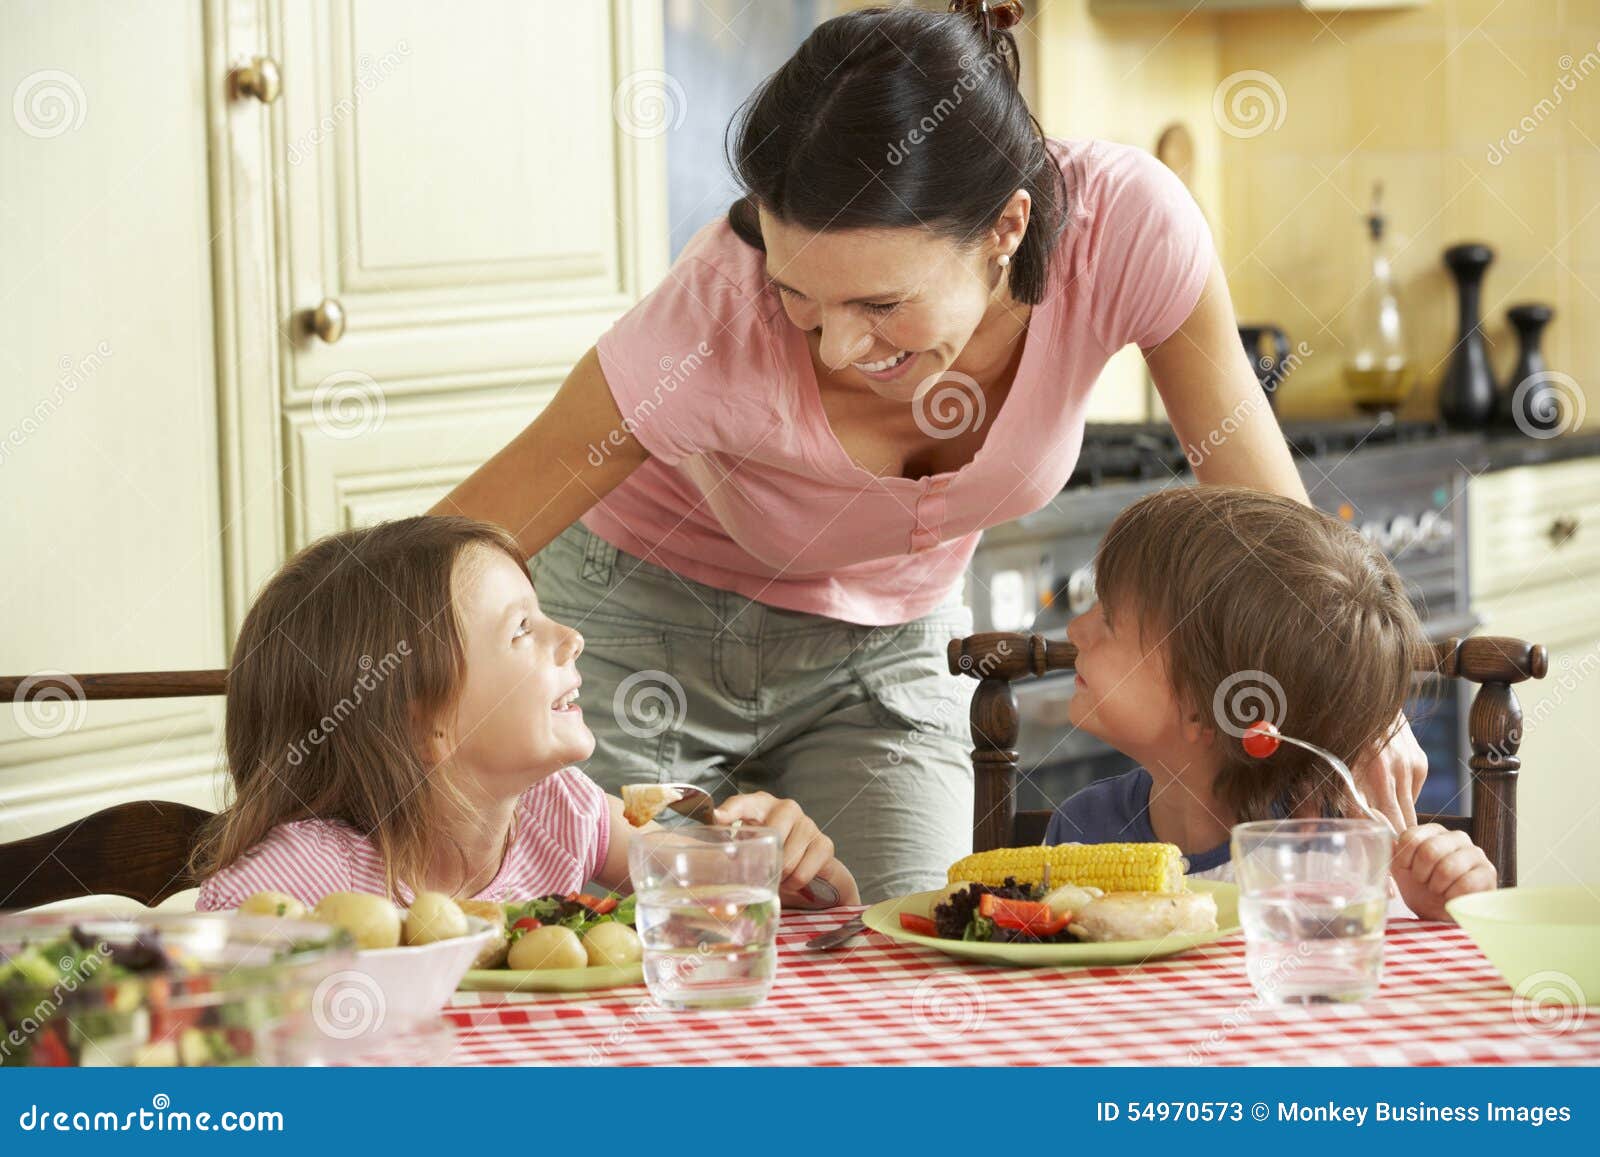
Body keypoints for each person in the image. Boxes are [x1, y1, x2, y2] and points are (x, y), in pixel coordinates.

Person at [430, 4, 1426, 902]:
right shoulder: (708, 324)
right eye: (798, 297)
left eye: (879, 304)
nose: (835, 348)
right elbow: (447, 554)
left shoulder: (1127, 230)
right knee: (650, 967)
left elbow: (1273, 533)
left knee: (916, 957)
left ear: (1006, 227)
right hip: (637, 630)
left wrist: (1359, 702)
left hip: (885, 651)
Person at [191, 516, 857, 911]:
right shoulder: (303, 879)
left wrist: (776, 859)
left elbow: (716, 887)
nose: (571, 638)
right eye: (521, 630)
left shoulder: (557, 805)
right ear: (428, 723)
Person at [1047, 486, 1496, 921]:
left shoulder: (1337, 848)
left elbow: (1404, 977)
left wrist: (1440, 903)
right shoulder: (1082, 829)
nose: (1075, 630)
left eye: (1108, 620)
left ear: (1206, 708)